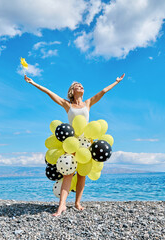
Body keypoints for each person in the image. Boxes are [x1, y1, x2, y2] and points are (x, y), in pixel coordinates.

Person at [24, 73, 125, 216]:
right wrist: (33, 83)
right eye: (78, 85)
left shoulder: (88, 103)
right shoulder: (67, 104)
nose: (81, 86)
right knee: (68, 173)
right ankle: (62, 206)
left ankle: (77, 203)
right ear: (72, 91)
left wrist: (116, 82)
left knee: (82, 174)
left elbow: (103, 91)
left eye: (82, 85)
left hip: (86, 143)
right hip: (72, 142)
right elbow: (49, 93)